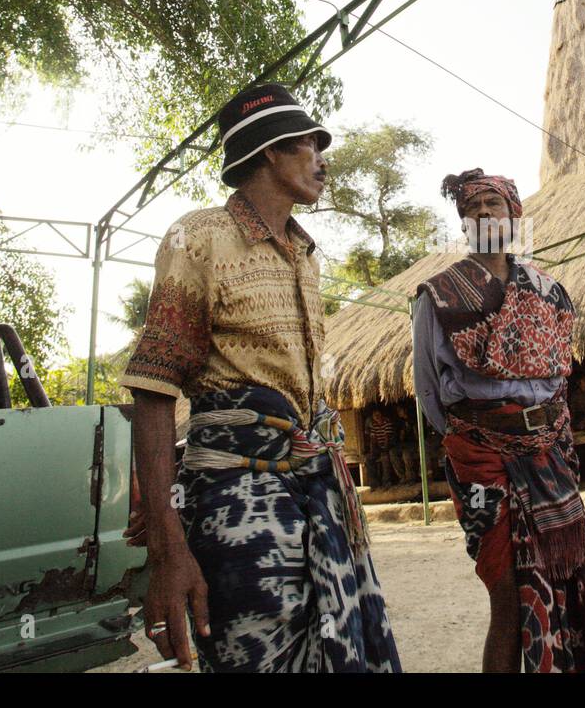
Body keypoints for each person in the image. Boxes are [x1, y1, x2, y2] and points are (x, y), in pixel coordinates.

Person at [120, 83, 400, 673]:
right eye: (309, 144)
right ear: (270, 150)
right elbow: (152, 392)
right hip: (235, 500)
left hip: (312, 489)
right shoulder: (198, 236)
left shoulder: (305, 254)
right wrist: (170, 552)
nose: (322, 160)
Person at [412, 168, 585, 673]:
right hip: (482, 458)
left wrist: (544, 432)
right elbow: (430, 393)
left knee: (574, 578)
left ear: (513, 214)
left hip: (549, 453)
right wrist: (484, 434)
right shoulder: (439, 296)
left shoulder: (548, 291)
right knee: (507, 598)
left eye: (493, 204)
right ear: (462, 222)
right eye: (472, 206)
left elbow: (560, 378)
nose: (482, 213)